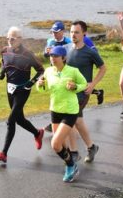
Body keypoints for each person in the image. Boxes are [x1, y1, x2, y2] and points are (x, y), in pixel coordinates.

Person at [0, 27, 45, 164]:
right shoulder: (5, 50)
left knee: (11, 120)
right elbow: (4, 63)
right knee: (19, 119)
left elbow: (41, 70)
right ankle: (37, 133)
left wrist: (31, 83)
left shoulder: (28, 54)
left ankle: (3, 154)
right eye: (8, 38)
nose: (10, 40)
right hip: (9, 90)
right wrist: (2, 73)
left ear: (20, 39)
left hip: (23, 90)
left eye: (13, 38)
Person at [37, 46, 87, 182]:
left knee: (55, 144)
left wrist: (76, 87)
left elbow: (84, 84)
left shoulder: (73, 71)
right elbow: (44, 89)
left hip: (70, 111)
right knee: (61, 145)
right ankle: (71, 162)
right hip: (55, 110)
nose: (52, 58)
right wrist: (40, 84)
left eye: (56, 56)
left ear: (64, 58)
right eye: (51, 56)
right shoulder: (48, 71)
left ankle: (70, 165)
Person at [64, 20, 106, 163]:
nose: (73, 35)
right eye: (71, 32)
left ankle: (74, 152)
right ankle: (91, 147)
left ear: (84, 34)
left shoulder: (90, 52)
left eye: (76, 32)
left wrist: (93, 84)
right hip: (68, 93)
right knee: (78, 121)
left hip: (82, 93)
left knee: (70, 119)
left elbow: (103, 68)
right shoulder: (68, 50)